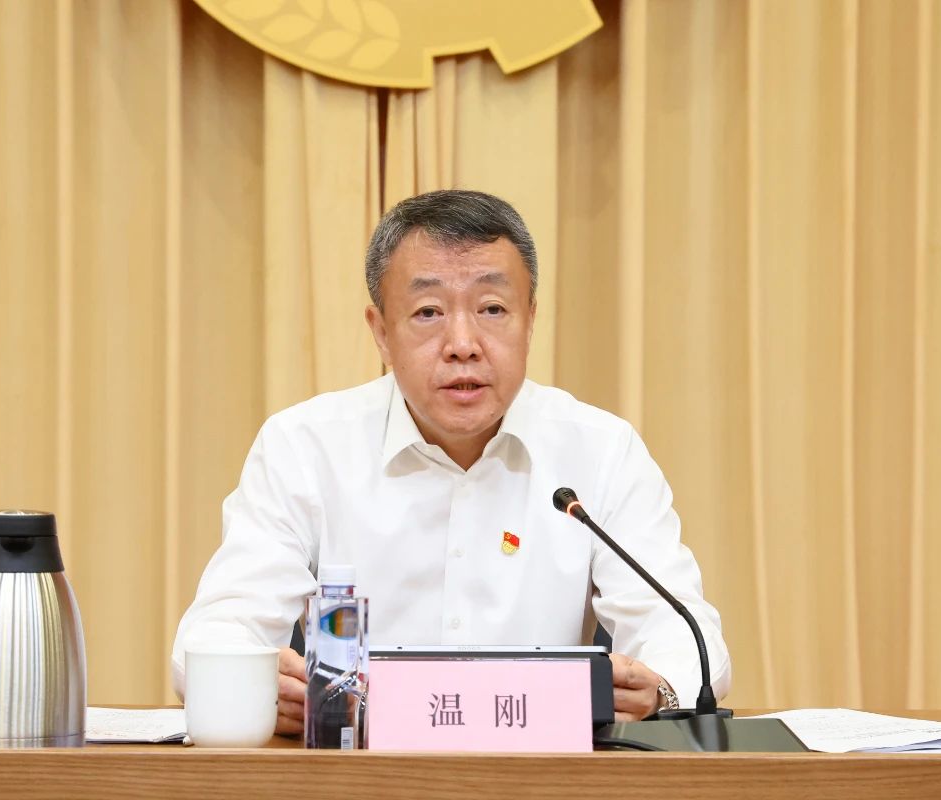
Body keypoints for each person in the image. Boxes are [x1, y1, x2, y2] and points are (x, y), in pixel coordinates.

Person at [172, 189, 730, 733]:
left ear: (530, 321)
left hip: (543, 773)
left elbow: (685, 637)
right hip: (357, 775)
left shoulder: (600, 450)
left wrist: (662, 688)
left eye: (492, 309)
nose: (463, 343)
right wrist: (253, 681)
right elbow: (217, 632)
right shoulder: (305, 446)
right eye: (428, 312)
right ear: (381, 333)